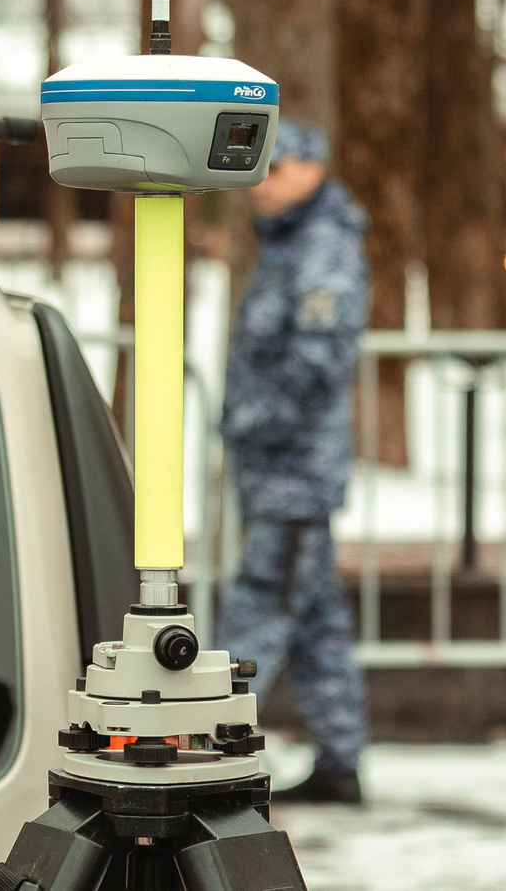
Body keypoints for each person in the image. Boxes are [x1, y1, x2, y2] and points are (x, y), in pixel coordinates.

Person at [214, 119, 372, 804]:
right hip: (282, 468)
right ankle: (340, 760)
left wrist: (254, 421)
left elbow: (318, 359)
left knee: (257, 606)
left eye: (275, 169)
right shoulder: (288, 242)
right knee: (312, 617)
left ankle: (211, 753)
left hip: (294, 470)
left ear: (313, 169)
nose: (260, 184)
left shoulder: (322, 244)